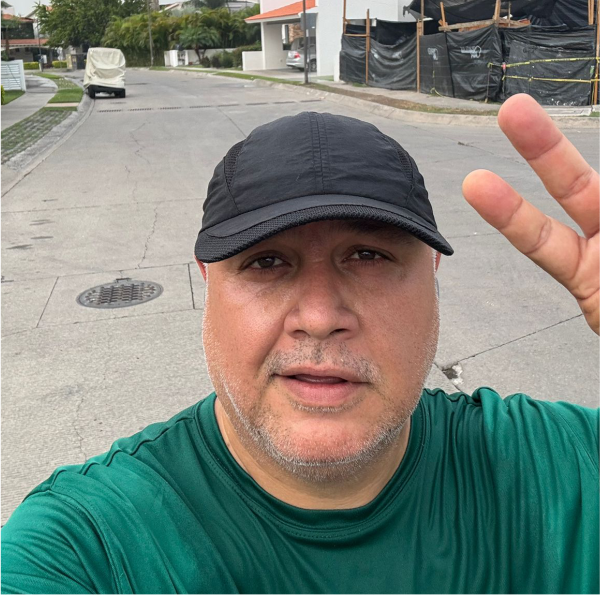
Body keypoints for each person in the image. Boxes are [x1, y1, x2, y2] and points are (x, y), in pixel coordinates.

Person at [0, 94, 599, 594]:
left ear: (433, 275)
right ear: (208, 282)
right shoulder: (90, 544)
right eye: (266, 262)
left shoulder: (564, 472)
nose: (318, 318)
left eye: (368, 255)